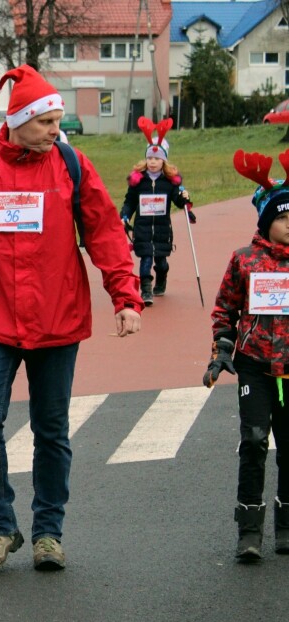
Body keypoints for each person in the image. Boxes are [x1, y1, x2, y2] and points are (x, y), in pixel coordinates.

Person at [0, 65, 143, 574]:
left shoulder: (72, 165)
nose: (57, 130)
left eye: (58, 121)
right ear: (19, 120)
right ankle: (0, 528)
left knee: (51, 429)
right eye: (48, 121)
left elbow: (105, 232)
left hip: (57, 317)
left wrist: (126, 296)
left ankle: (49, 532)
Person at [203, 148, 289, 561]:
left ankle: (286, 525)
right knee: (254, 441)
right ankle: (249, 530)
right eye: (283, 218)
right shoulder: (245, 260)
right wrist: (222, 347)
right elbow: (225, 308)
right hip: (254, 365)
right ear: (267, 221)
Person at [119, 117, 192, 305]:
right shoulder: (138, 181)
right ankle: (146, 290)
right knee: (145, 259)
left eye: (157, 159)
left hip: (162, 230)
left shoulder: (170, 181)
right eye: (150, 158)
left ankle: (161, 279)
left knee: (161, 262)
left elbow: (177, 199)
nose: (152, 162)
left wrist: (184, 199)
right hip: (142, 229)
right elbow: (130, 201)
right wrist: (124, 216)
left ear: (164, 161)